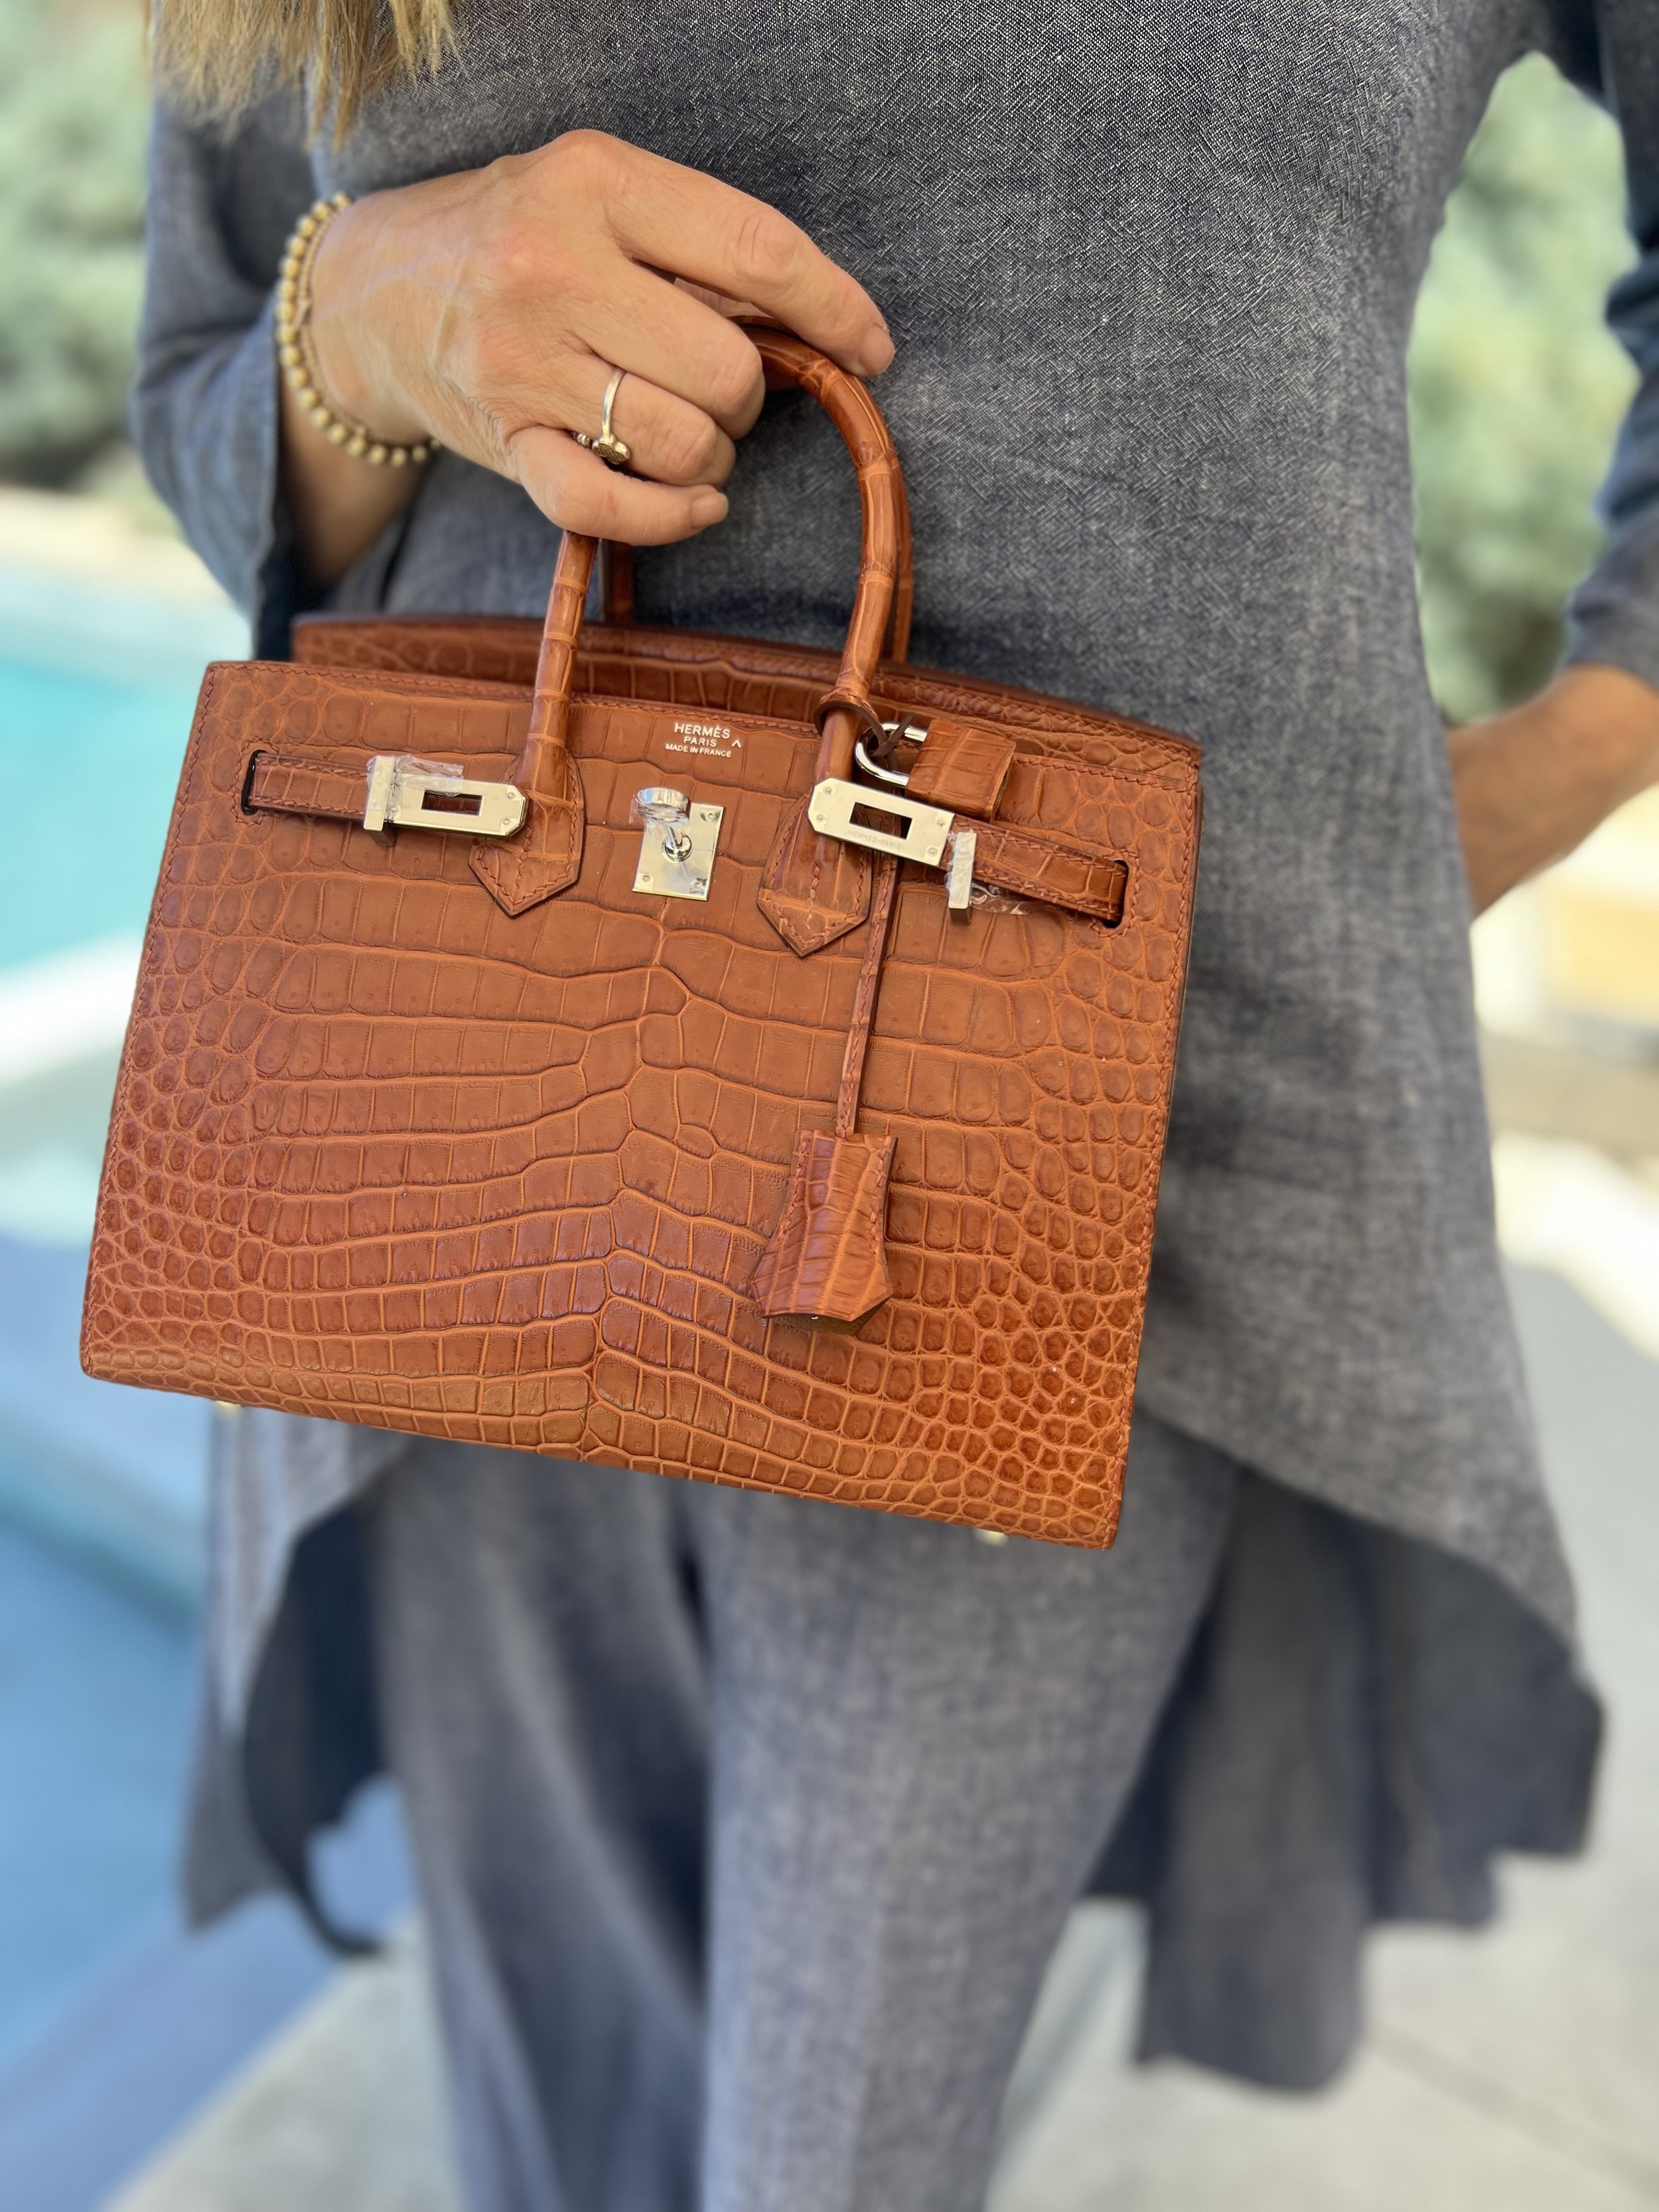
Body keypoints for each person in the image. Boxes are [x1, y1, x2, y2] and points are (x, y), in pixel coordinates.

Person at [137, 5, 1658, 2208]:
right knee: (550, 2127)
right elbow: (203, 377)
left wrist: (1581, 741)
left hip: (1075, 1154)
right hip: (448, 1082)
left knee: (841, 2157)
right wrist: (358, 313)